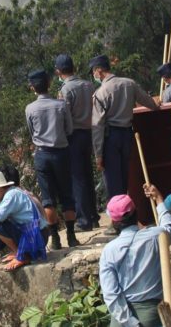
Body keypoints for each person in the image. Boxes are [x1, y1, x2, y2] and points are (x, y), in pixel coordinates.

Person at [89, 54, 161, 230]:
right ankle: (127, 218)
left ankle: (117, 223)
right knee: (125, 178)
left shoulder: (100, 93)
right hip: (127, 135)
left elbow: (97, 126)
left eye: (93, 72)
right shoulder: (129, 83)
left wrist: (98, 154)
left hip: (110, 138)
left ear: (99, 71)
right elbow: (149, 103)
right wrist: (158, 102)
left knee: (113, 182)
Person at [99, 185, 171, 327]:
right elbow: (169, 227)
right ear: (136, 213)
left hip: (121, 319)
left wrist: (130, 322)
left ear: (114, 222)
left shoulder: (108, 251)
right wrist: (159, 200)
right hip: (152, 315)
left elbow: (110, 294)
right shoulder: (156, 235)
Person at [25, 69, 79, 249]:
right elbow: (69, 129)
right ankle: (71, 236)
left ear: (33, 87)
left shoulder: (30, 108)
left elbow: (31, 132)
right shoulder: (60, 105)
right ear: (49, 84)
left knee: (48, 198)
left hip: (42, 154)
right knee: (67, 195)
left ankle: (55, 238)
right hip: (61, 152)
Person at [54, 54, 99, 231]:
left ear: (58, 71)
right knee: (88, 175)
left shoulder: (65, 90)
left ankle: (83, 220)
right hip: (91, 133)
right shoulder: (88, 85)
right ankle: (94, 216)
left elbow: (63, 115)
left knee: (77, 178)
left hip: (74, 136)